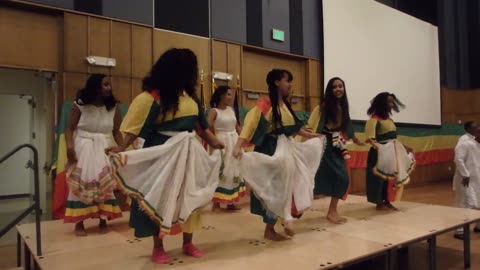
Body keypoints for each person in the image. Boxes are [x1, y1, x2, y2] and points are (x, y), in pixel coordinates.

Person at [107, 48, 224, 264]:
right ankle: (158, 247)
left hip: (189, 153)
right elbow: (133, 129)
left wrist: (214, 141)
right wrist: (121, 147)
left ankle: (188, 242)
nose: (194, 74)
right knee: (161, 198)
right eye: (191, 69)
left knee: (189, 195)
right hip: (162, 154)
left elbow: (201, 127)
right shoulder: (150, 97)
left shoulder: (191, 98)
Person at [232, 69, 324, 240]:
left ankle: (285, 218)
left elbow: (296, 129)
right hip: (272, 149)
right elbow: (250, 125)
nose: (290, 85)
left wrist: (314, 136)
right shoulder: (265, 104)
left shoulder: (285, 106)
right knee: (275, 188)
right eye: (287, 80)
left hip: (287, 148)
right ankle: (270, 229)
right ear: (276, 82)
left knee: (292, 184)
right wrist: (238, 145)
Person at [64, 73, 123, 236]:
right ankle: (79, 223)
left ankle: (103, 220)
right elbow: (69, 128)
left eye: (109, 84)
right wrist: (69, 147)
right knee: (82, 182)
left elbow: (116, 132)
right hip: (83, 146)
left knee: (104, 183)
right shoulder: (80, 105)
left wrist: (124, 149)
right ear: (95, 86)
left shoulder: (114, 107)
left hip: (105, 147)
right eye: (105, 84)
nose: (109, 87)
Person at [307, 77, 363, 224]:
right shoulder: (323, 107)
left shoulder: (343, 107)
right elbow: (311, 125)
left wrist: (355, 139)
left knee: (342, 177)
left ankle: (332, 211)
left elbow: (347, 125)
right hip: (324, 145)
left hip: (337, 146)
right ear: (329, 90)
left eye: (340, 86)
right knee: (312, 177)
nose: (338, 89)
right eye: (335, 87)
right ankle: (293, 210)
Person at [365, 92, 415, 210]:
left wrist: (405, 147)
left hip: (390, 153)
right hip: (379, 153)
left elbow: (393, 139)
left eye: (392, 102)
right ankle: (379, 202)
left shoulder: (390, 120)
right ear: (382, 103)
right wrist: (381, 149)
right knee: (378, 179)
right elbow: (370, 139)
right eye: (389, 102)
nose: (391, 104)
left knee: (388, 179)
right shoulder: (373, 120)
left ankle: (386, 200)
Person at [208, 85, 246, 211]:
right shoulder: (214, 111)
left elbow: (237, 127)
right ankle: (216, 201)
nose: (231, 97)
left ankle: (231, 201)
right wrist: (213, 143)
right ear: (221, 95)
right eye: (229, 94)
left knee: (235, 169)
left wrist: (242, 139)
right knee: (221, 170)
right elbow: (207, 128)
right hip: (221, 142)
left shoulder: (232, 110)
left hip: (234, 141)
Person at [453, 121, 480, 240]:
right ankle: (459, 230)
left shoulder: (475, 142)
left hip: (476, 178)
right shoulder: (464, 141)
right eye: (476, 126)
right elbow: (458, 159)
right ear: (468, 128)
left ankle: (478, 226)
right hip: (466, 179)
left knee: (477, 201)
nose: (478, 128)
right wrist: (465, 174)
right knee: (464, 203)